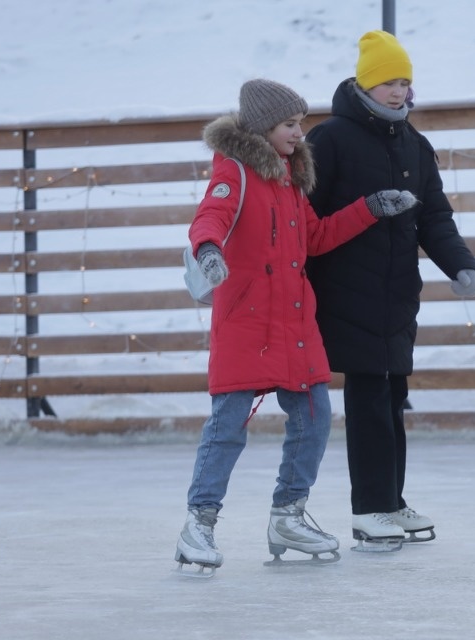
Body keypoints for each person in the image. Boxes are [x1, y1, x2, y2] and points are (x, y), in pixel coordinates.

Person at [175, 78, 418, 575]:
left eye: (301, 123)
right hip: (246, 323)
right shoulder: (236, 173)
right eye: (290, 124)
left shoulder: (289, 178)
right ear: (265, 127)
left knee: (314, 416)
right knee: (227, 429)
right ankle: (198, 524)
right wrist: (209, 252)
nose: (299, 132)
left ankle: (288, 514)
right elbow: (209, 217)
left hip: (293, 325)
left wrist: (369, 208)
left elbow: (316, 236)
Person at [305, 31, 475, 551]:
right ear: (365, 83)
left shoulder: (415, 143)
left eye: (404, 82)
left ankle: (391, 500)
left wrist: (461, 266)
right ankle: (369, 510)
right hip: (344, 289)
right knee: (368, 395)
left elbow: (435, 216)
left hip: (397, 292)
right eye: (388, 81)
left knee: (392, 398)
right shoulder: (331, 139)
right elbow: (307, 220)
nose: (397, 91)